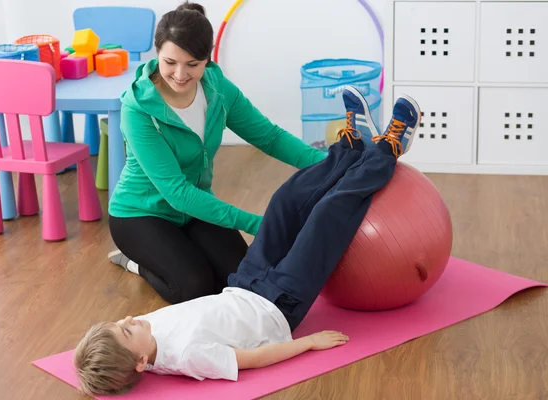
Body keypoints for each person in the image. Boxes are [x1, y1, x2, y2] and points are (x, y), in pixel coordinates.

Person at [73, 87, 422, 396]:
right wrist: (307, 344)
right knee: (326, 218)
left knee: (283, 203)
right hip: (281, 305)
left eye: (119, 323)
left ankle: (349, 148)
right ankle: (388, 150)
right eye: (126, 330)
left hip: (244, 284)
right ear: (138, 363)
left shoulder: (144, 335)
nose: (129, 318)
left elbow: (144, 331)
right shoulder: (188, 357)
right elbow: (252, 359)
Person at [107, 1, 327, 305]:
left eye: (192, 64)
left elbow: (270, 137)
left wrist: (329, 164)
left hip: (196, 208)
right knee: (194, 287)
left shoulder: (218, 89)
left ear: (207, 60)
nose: (180, 74)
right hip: (141, 215)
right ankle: (138, 263)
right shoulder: (137, 109)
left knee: (240, 279)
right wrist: (256, 223)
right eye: (169, 62)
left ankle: (180, 249)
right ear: (156, 53)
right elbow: (177, 193)